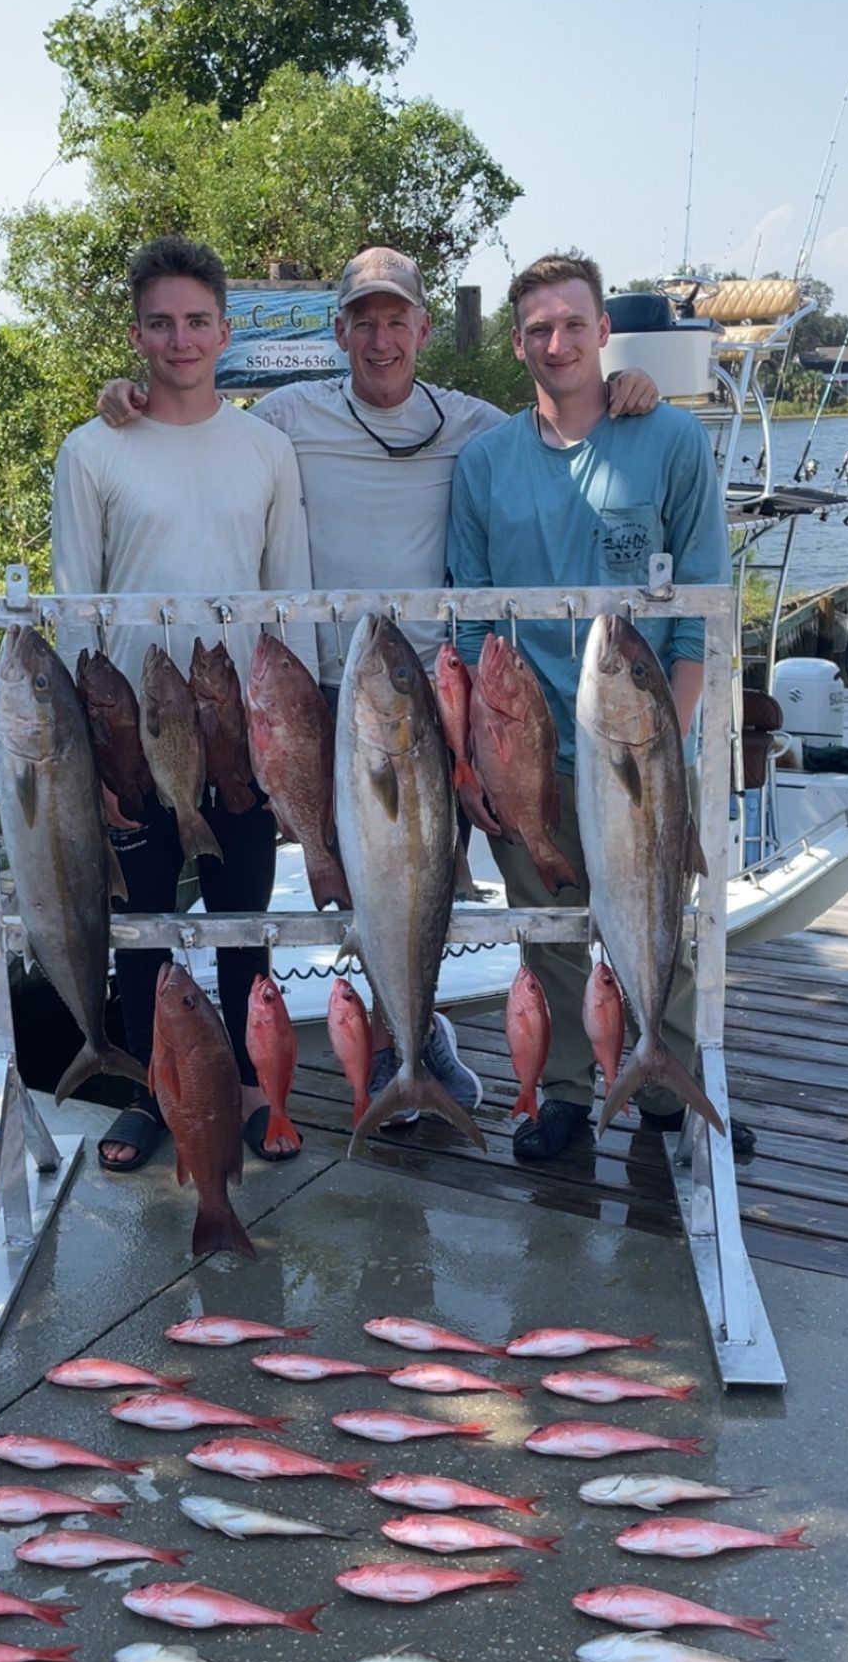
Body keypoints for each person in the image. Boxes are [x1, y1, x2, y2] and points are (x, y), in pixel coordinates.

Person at [96, 244, 659, 1132]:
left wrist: (634, 394)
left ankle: (415, 1039)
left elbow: (559, 420)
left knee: (433, 871)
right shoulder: (287, 416)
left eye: (398, 319)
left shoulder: (473, 424)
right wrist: (123, 399)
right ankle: (399, 1035)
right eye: (365, 320)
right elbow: (196, 426)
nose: (382, 337)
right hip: (324, 685)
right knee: (354, 871)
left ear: (425, 329)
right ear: (341, 332)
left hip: (435, 686)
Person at [447, 249, 755, 1165]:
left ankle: (673, 1086)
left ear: (602, 330)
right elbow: (468, 629)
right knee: (550, 938)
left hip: (641, 748)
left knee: (666, 923)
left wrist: (674, 741)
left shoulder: (668, 440)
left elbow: (703, 608)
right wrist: (472, 763)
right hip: (524, 750)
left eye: (573, 323)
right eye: (539, 328)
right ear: (517, 345)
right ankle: (571, 1096)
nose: (558, 341)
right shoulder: (485, 462)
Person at [52, 235, 316, 1172]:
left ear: (225, 330)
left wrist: (302, 752)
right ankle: (148, 1092)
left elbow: (295, 602)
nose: (180, 339)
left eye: (197, 320)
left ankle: (249, 1091)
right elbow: (73, 603)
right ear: (137, 334)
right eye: (161, 323)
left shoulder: (268, 449)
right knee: (141, 926)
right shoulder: (91, 452)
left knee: (245, 919)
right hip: (129, 733)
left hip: (242, 731)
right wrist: (84, 757)